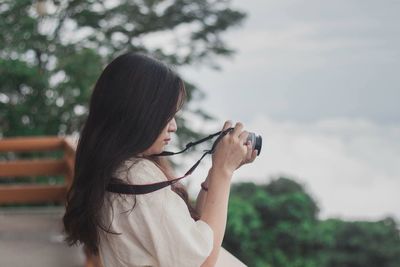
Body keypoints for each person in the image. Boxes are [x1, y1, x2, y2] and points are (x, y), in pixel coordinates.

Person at [63, 53, 258, 267]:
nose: (173, 126)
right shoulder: (135, 179)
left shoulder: (114, 168)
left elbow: (195, 230)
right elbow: (203, 260)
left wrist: (218, 169)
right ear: (139, 113)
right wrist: (223, 172)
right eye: (166, 115)